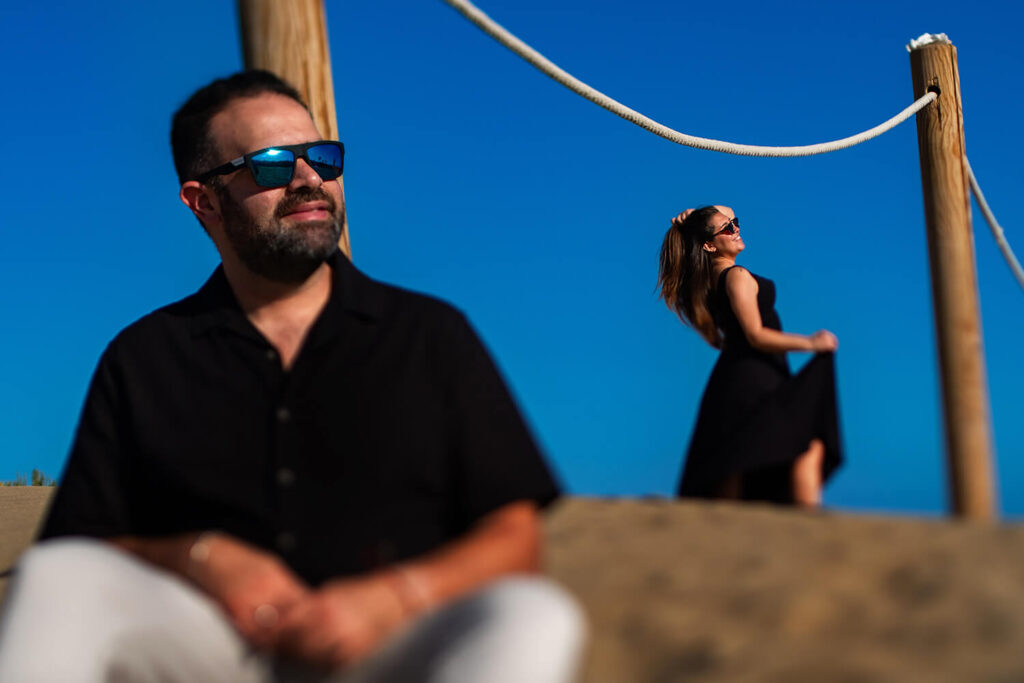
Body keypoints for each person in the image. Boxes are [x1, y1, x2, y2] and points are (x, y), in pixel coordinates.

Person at [0, 70, 584, 683]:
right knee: (56, 580)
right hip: (217, 652)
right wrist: (203, 558)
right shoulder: (144, 358)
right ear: (204, 201)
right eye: (274, 164)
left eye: (323, 159)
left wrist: (388, 598)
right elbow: (84, 547)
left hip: (391, 648)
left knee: (531, 612)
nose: (309, 180)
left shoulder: (429, 335)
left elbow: (515, 534)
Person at [657, 205, 843, 506]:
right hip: (754, 381)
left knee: (737, 467)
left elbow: (721, 341)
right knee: (805, 445)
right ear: (709, 244)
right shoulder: (737, 276)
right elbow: (755, 335)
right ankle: (811, 530)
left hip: (736, 382)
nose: (736, 229)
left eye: (736, 222)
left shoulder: (705, 284)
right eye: (727, 228)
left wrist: (693, 219)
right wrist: (812, 343)